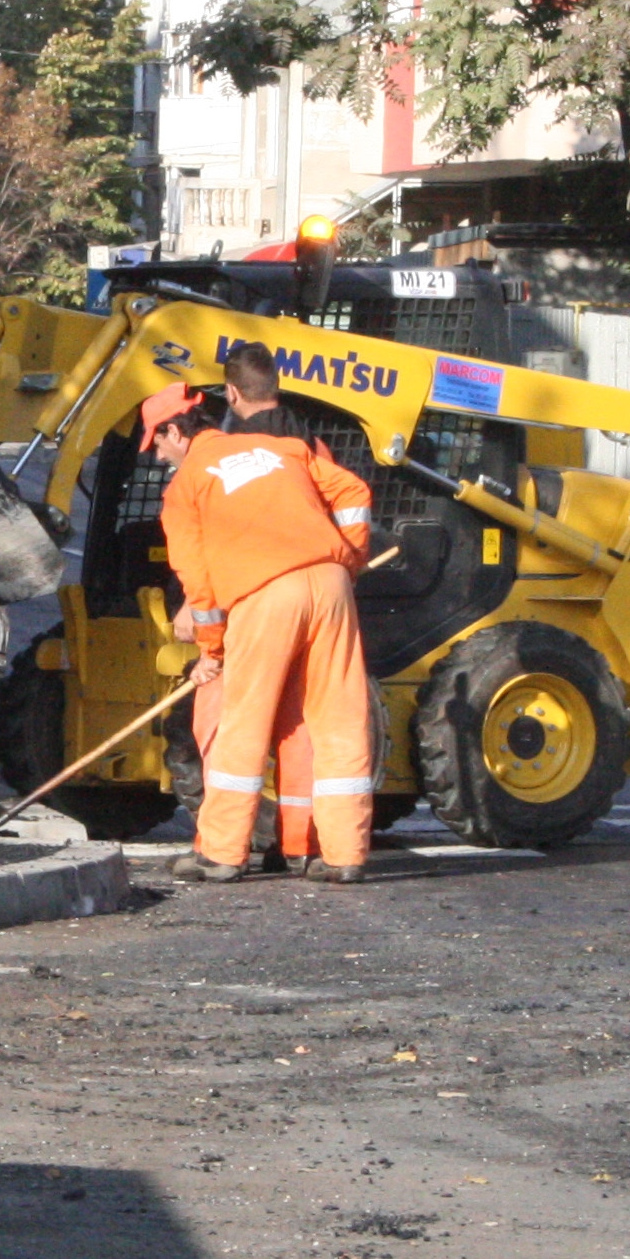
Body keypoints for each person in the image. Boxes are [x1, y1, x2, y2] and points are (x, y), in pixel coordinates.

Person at [151, 342, 376, 883]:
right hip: (330, 586)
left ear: (176, 433)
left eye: (156, 444)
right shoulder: (287, 448)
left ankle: (222, 853)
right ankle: (344, 855)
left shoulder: (186, 485)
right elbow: (353, 490)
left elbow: (198, 583)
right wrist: (349, 559)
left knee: (243, 722)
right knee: (339, 722)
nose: (157, 457)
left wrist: (212, 652)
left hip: (266, 595)